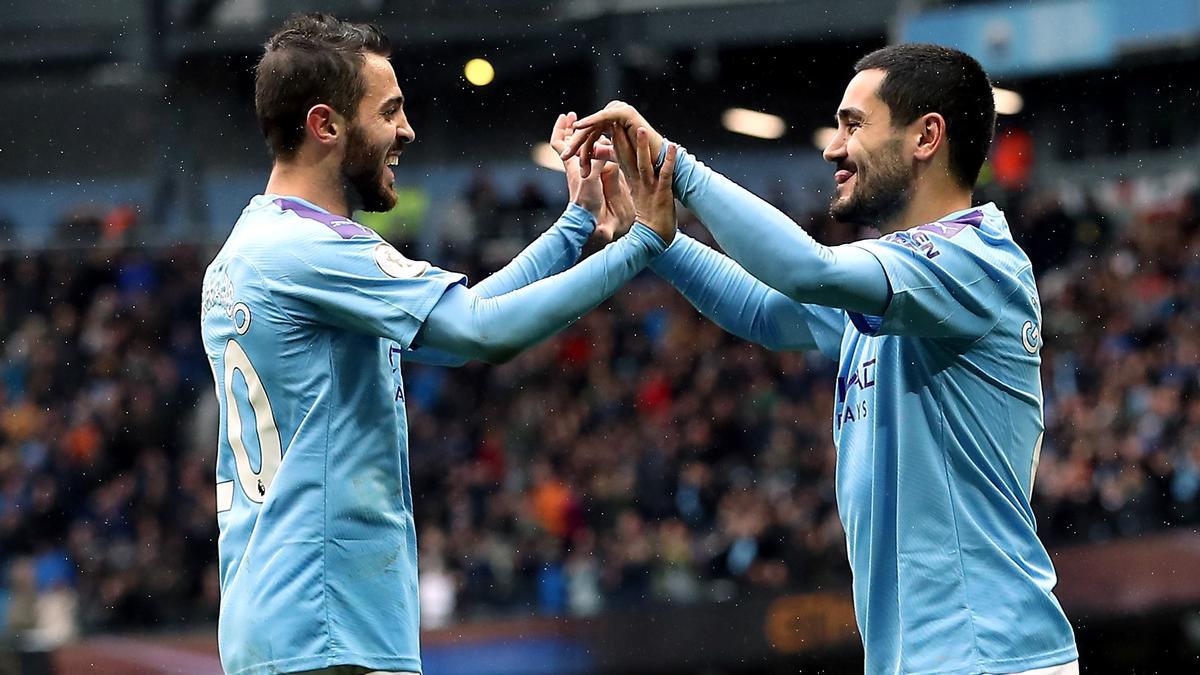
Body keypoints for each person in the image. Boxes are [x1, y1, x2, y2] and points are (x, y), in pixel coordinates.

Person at [564, 43, 1078, 674]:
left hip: (988, 655)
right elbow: (764, 310)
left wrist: (679, 168)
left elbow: (806, 270)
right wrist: (654, 238)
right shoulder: (895, 285)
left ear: (927, 136)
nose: (833, 148)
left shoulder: (977, 261)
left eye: (854, 124)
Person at [200, 13, 678, 675]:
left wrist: (576, 229)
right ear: (325, 125)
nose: (407, 130)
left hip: (282, 622)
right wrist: (641, 244)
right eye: (390, 111)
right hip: (329, 625)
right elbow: (481, 332)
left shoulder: (249, 249)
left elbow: (454, 329)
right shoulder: (317, 251)